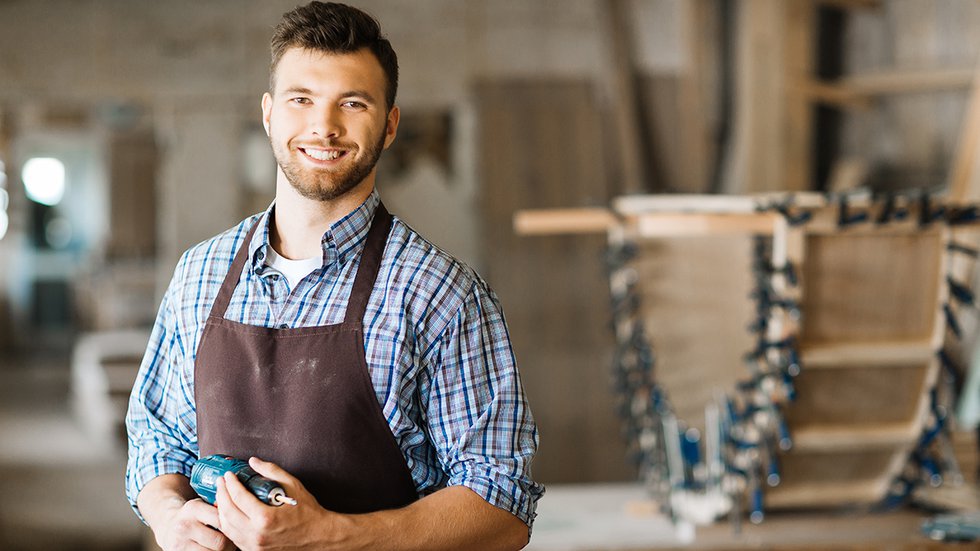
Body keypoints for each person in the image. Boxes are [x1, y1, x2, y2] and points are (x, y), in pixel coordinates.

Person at [125, 2, 543, 549]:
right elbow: (157, 437)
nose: (324, 126)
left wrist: (330, 535)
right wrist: (167, 514)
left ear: (389, 124)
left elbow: (501, 504)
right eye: (302, 100)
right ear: (270, 113)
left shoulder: (440, 293)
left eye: (353, 103)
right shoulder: (199, 274)